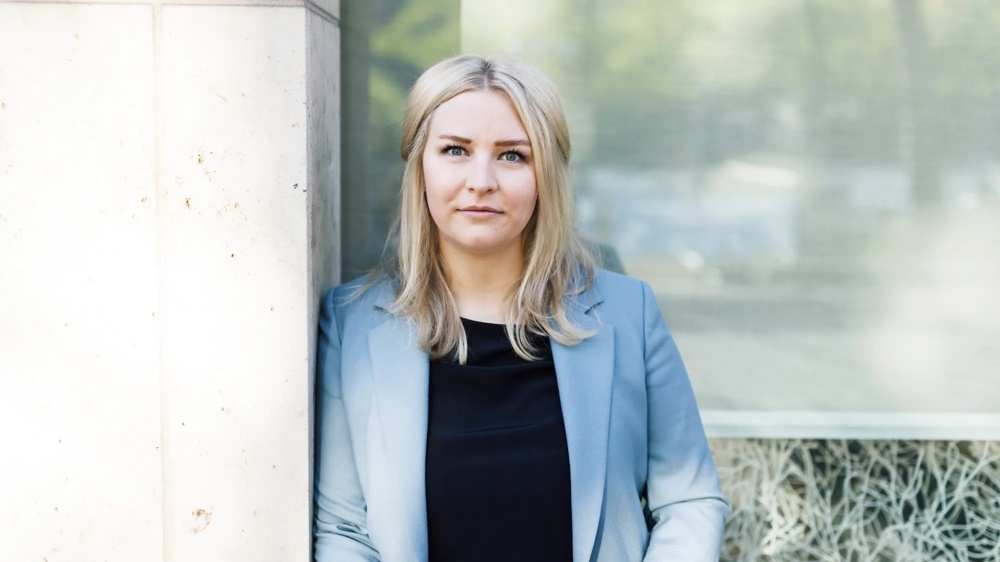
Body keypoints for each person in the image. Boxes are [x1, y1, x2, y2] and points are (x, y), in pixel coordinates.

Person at [313, 54, 730, 562]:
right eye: (455, 150)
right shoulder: (352, 323)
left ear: (544, 176)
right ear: (420, 165)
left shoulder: (628, 312)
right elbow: (342, 530)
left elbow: (689, 499)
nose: (481, 180)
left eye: (512, 155)